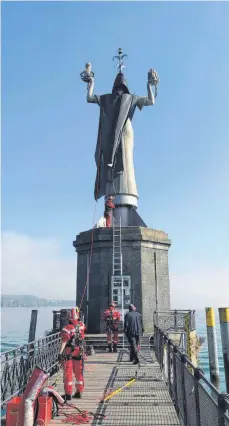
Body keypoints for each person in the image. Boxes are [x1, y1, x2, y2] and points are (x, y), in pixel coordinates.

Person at [58, 308, 86, 400]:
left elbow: (64, 341)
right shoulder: (81, 325)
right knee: (79, 372)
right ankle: (79, 392)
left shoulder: (66, 329)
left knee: (68, 373)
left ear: (68, 317)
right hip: (79, 351)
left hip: (69, 351)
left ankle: (68, 394)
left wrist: (60, 353)